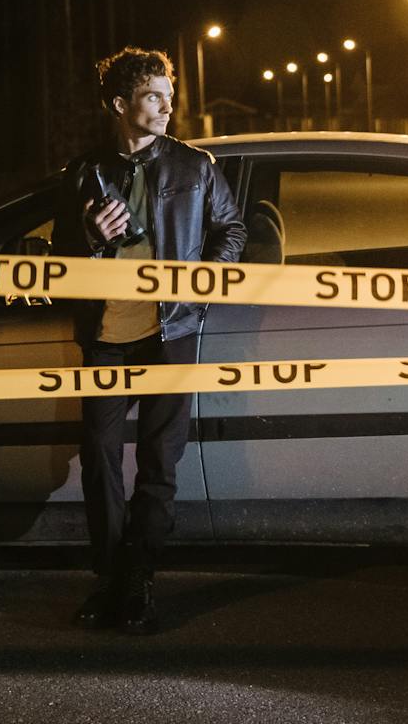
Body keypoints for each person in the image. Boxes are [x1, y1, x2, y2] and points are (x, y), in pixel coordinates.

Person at [52, 46, 246, 634]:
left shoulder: (194, 167)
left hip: (170, 333)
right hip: (106, 336)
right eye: (153, 97)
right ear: (120, 104)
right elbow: (60, 259)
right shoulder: (84, 173)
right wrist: (88, 235)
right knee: (99, 460)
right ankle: (109, 580)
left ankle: (137, 582)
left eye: (168, 96)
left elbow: (232, 230)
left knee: (159, 464)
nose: (167, 108)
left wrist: (200, 290)